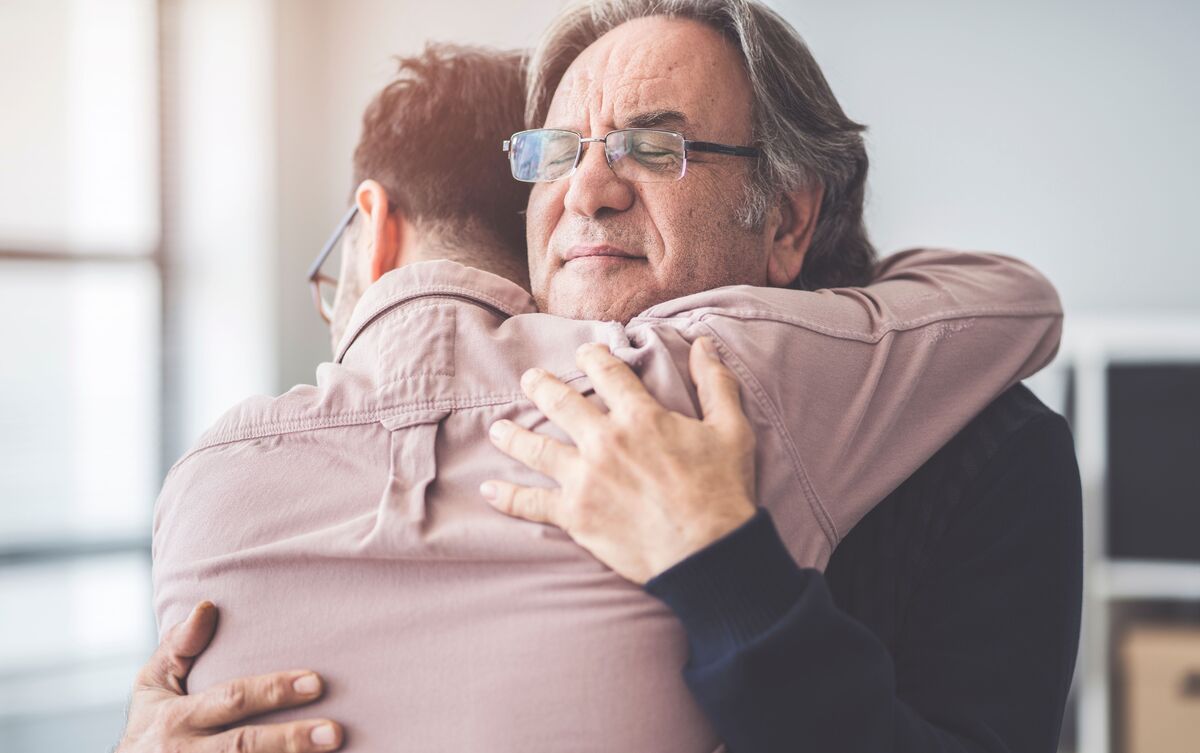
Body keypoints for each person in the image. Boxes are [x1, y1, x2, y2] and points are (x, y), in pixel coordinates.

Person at [118, 6, 1078, 752]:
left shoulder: (989, 446)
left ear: (785, 222)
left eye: (653, 147)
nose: (588, 189)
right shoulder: (443, 435)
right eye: (556, 153)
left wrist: (722, 567)